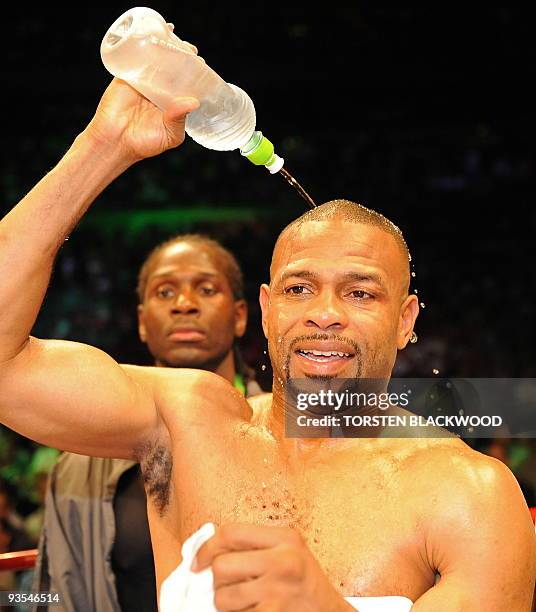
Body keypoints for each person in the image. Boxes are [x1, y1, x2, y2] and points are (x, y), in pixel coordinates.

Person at [0, 77, 534, 611]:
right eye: (299, 288)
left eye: (360, 292)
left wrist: (322, 606)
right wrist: (104, 146)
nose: (325, 313)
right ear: (266, 308)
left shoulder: (471, 494)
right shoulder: (186, 422)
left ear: (405, 318)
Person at [32, 233, 262, 612]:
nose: (184, 305)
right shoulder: (77, 469)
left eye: (206, 289)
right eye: (165, 292)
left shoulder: (293, 435)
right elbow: (52, 594)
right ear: (141, 321)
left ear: (240, 316)